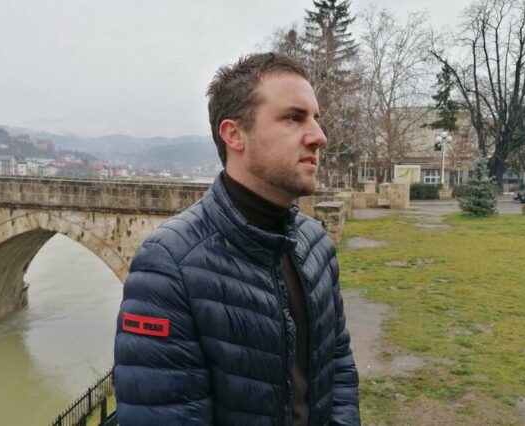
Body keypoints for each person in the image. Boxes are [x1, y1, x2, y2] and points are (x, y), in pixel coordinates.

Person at [114, 52, 360, 425]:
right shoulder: (169, 266)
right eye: (293, 118)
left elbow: (337, 367)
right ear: (234, 135)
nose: (319, 137)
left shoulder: (316, 244)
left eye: (316, 119)